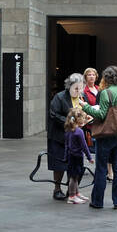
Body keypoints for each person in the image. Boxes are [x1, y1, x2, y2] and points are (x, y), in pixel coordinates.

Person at [81, 65, 117, 210]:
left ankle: (97, 201)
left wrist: (85, 106)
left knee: (101, 168)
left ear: (107, 78)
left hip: (106, 136)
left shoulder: (106, 93)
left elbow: (100, 114)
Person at [48, 72, 85, 201]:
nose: (78, 91)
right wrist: (71, 122)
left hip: (75, 138)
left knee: (74, 164)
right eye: (76, 88)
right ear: (69, 86)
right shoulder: (59, 97)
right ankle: (57, 189)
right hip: (60, 136)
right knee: (59, 164)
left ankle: (72, 190)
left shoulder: (82, 98)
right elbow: (54, 114)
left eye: (80, 88)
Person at [63, 109, 92, 205]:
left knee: (74, 176)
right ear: (78, 119)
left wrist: (65, 157)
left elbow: (66, 145)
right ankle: (71, 196)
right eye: (83, 118)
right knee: (74, 177)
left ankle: (76, 193)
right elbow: (84, 146)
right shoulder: (79, 131)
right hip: (77, 157)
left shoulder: (68, 130)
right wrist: (89, 157)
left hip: (71, 157)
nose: (84, 120)